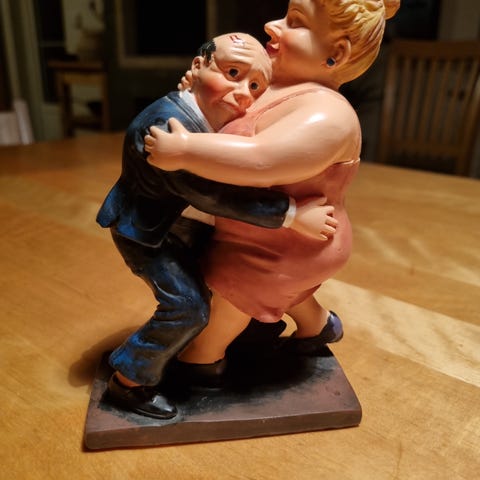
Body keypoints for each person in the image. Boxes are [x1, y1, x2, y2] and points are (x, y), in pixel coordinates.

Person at [145, 0, 401, 366]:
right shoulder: (273, 88)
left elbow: (262, 159)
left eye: (295, 22)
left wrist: (186, 150)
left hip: (291, 241)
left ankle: (201, 364)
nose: (271, 24)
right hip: (256, 226)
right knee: (259, 282)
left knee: (231, 291)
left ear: (336, 53)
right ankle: (318, 325)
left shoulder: (328, 115)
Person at [97, 32, 337, 419]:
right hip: (151, 233)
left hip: (186, 224)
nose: (242, 93)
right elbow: (213, 195)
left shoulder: (209, 107)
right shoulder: (164, 131)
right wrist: (292, 213)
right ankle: (129, 381)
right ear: (198, 66)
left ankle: (250, 334)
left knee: (233, 274)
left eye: (255, 86)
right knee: (188, 307)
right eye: (233, 73)